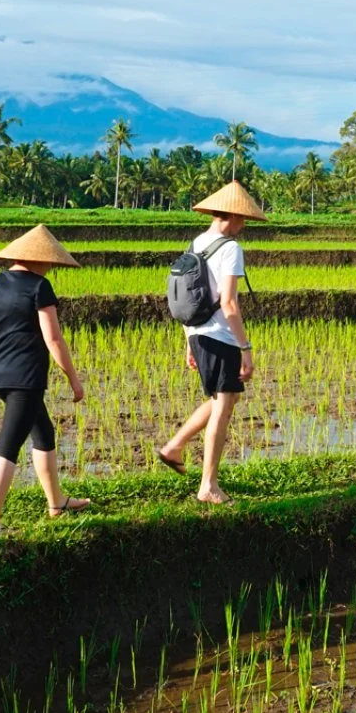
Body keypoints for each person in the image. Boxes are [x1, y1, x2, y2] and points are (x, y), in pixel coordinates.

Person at [0, 225, 90, 537]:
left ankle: (57, 503)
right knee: (8, 446)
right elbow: (54, 339)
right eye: (49, 261)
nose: (50, 266)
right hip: (25, 377)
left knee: (43, 432)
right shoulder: (39, 287)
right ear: (40, 259)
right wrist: (74, 380)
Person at [157, 181, 264, 504]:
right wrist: (245, 349)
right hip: (220, 337)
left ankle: (174, 446)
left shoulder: (196, 243)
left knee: (225, 399)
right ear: (233, 216)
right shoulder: (230, 248)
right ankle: (208, 486)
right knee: (223, 408)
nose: (244, 226)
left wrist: (189, 341)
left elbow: (184, 297)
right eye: (243, 219)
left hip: (199, 334)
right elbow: (228, 302)